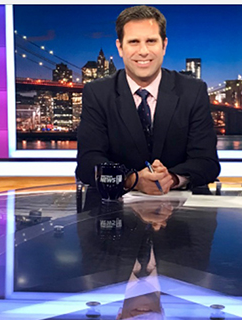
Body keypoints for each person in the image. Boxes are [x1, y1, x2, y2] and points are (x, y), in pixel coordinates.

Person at [76, 5, 220, 195]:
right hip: (114, 210)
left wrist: (172, 179)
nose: (143, 51)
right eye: (134, 42)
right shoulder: (98, 93)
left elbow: (207, 162)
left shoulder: (193, 91)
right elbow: (87, 164)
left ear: (164, 45)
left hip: (183, 212)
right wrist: (133, 180)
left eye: (151, 41)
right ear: (120, 47)